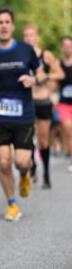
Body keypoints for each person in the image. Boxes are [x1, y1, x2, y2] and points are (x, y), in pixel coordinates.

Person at [0, 9, 44, 222]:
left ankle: (25, 173)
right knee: (3, 161)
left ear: (13, 26)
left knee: (21, 162)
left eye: (7, 22)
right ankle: (12, 204)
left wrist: (34, 80)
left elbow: (40, 73)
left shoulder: (26, 50)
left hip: (23, 114)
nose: (3, 25)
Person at [22, 24, 64, 188]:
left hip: (43, 101)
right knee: (27, 136)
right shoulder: (22, 55)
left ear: (37, 36)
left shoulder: (45, 55)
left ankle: (46, 172)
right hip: (27, 101)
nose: (29, 38)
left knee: (43, 141)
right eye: (26, 36)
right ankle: (32, 166)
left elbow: (60, 74)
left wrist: (45, 76)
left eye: (32, 35)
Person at [55, 35, 72, 172]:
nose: (67, 48)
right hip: (64, 104)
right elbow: (53, 85)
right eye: (65, 46)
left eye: (69, 45)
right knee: (68, 129)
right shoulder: (58, 65)